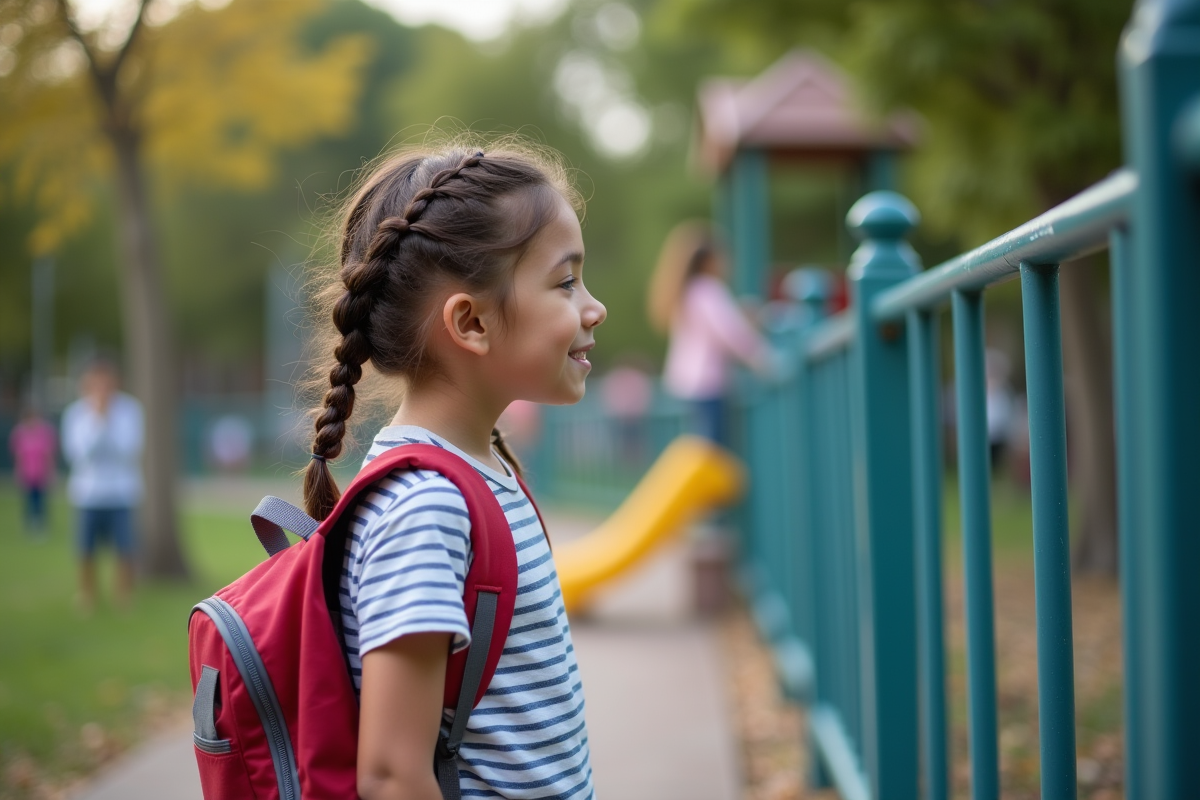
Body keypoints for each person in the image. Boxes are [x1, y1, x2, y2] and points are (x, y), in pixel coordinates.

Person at [304, 145, 603, 800]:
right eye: (565, 283)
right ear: (471, 322)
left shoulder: (479, 468)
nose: (594, 308)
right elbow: (393, 776)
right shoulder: (426, 507)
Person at [647, 221, 774, 444]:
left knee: (698, 451)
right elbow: (732, 334)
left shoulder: (687, 293)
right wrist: (766, 361)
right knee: (712, 453)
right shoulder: (708, 290)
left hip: (685, 385)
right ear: (709, 260)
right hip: (707, 386)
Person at [61, 359, 143, 611]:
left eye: (107, 381)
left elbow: (128, 451)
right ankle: (87, 595)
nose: (102, 388)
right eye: (96, 382)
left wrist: (108, 421)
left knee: (125, 549)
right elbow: (77, 455)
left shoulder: (131, 410)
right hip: (87, 493)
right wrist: (98, 421)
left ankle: (123, 597)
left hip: (121, 492)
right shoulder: (75, 413)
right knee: (85, 550)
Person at [8, 407, 57, 535]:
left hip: (41, 472)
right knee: (29, 499)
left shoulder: (44, 432)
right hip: (26, 473)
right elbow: (18, 455)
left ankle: (40, 524)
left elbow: (48, 454)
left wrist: (51, 471)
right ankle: (29, 523)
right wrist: (17, 471)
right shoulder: (19, 433)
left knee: (40, 499)